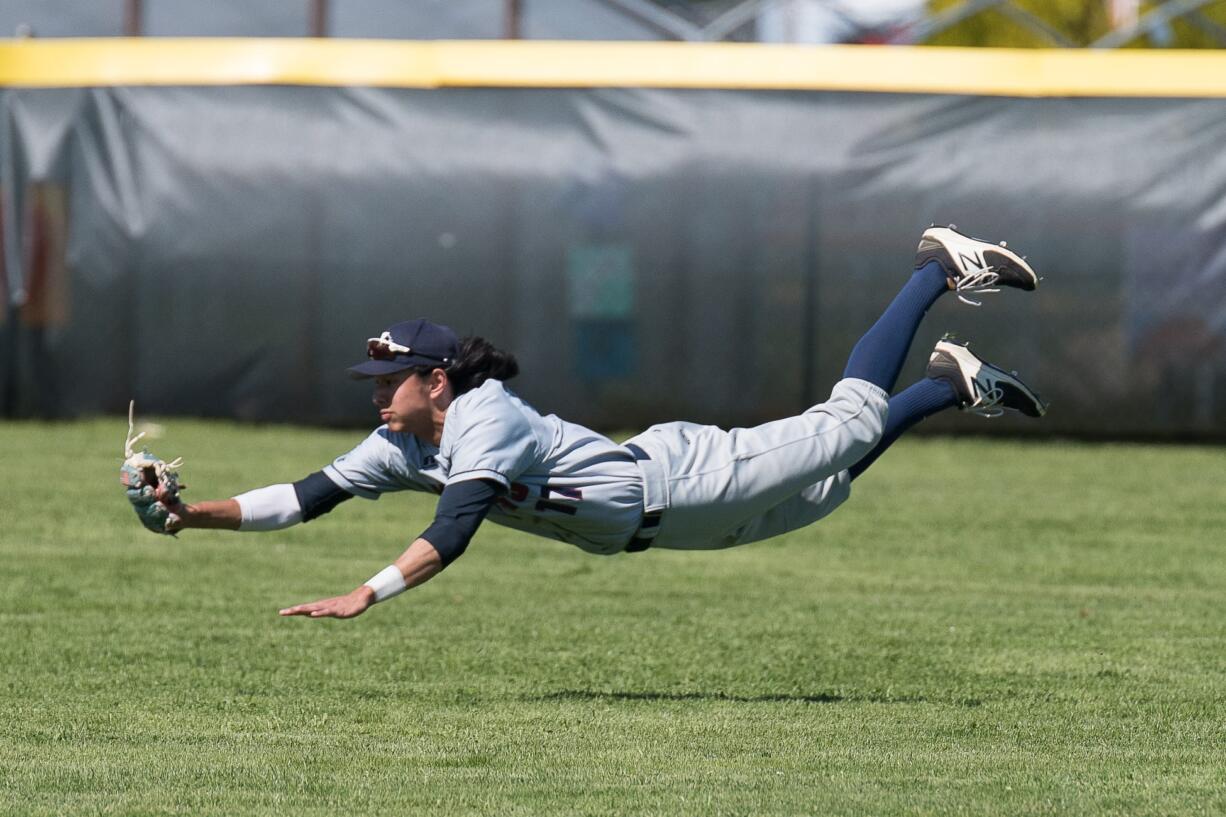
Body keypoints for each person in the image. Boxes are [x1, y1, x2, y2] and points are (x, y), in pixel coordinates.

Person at [159, 226, 1047, 620]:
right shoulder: (406, 442)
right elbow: (307, 494)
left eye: (389, 380)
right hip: (659, 527)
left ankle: (933, 268)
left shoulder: (485, 420)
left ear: (436, 381)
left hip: (681, 480)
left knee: (845, 421)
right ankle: (946, 385)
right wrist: (187, 514)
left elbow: (455, 528)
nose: (376, 394)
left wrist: (369, 591)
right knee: (825, 488)